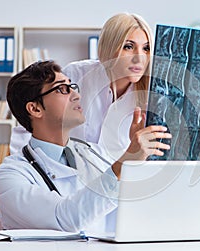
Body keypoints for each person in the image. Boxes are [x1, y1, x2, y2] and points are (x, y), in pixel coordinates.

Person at [0, 61, 171, 232]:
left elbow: (136, 204)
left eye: (73, 87)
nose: (77, 95)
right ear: (35, 109)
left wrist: (138, 161)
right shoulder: (10, 176)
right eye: (62, 89)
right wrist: (124, 162)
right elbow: (65, 217)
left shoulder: (95, 154)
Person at [10, 12, 153, 163]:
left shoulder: (150, 96)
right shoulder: (75, 76)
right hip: (65, 178)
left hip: (119, 181)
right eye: (129, 46)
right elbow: (30, 126)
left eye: (146, 48)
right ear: (109, 46)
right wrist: (27, 171)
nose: (139, 57)